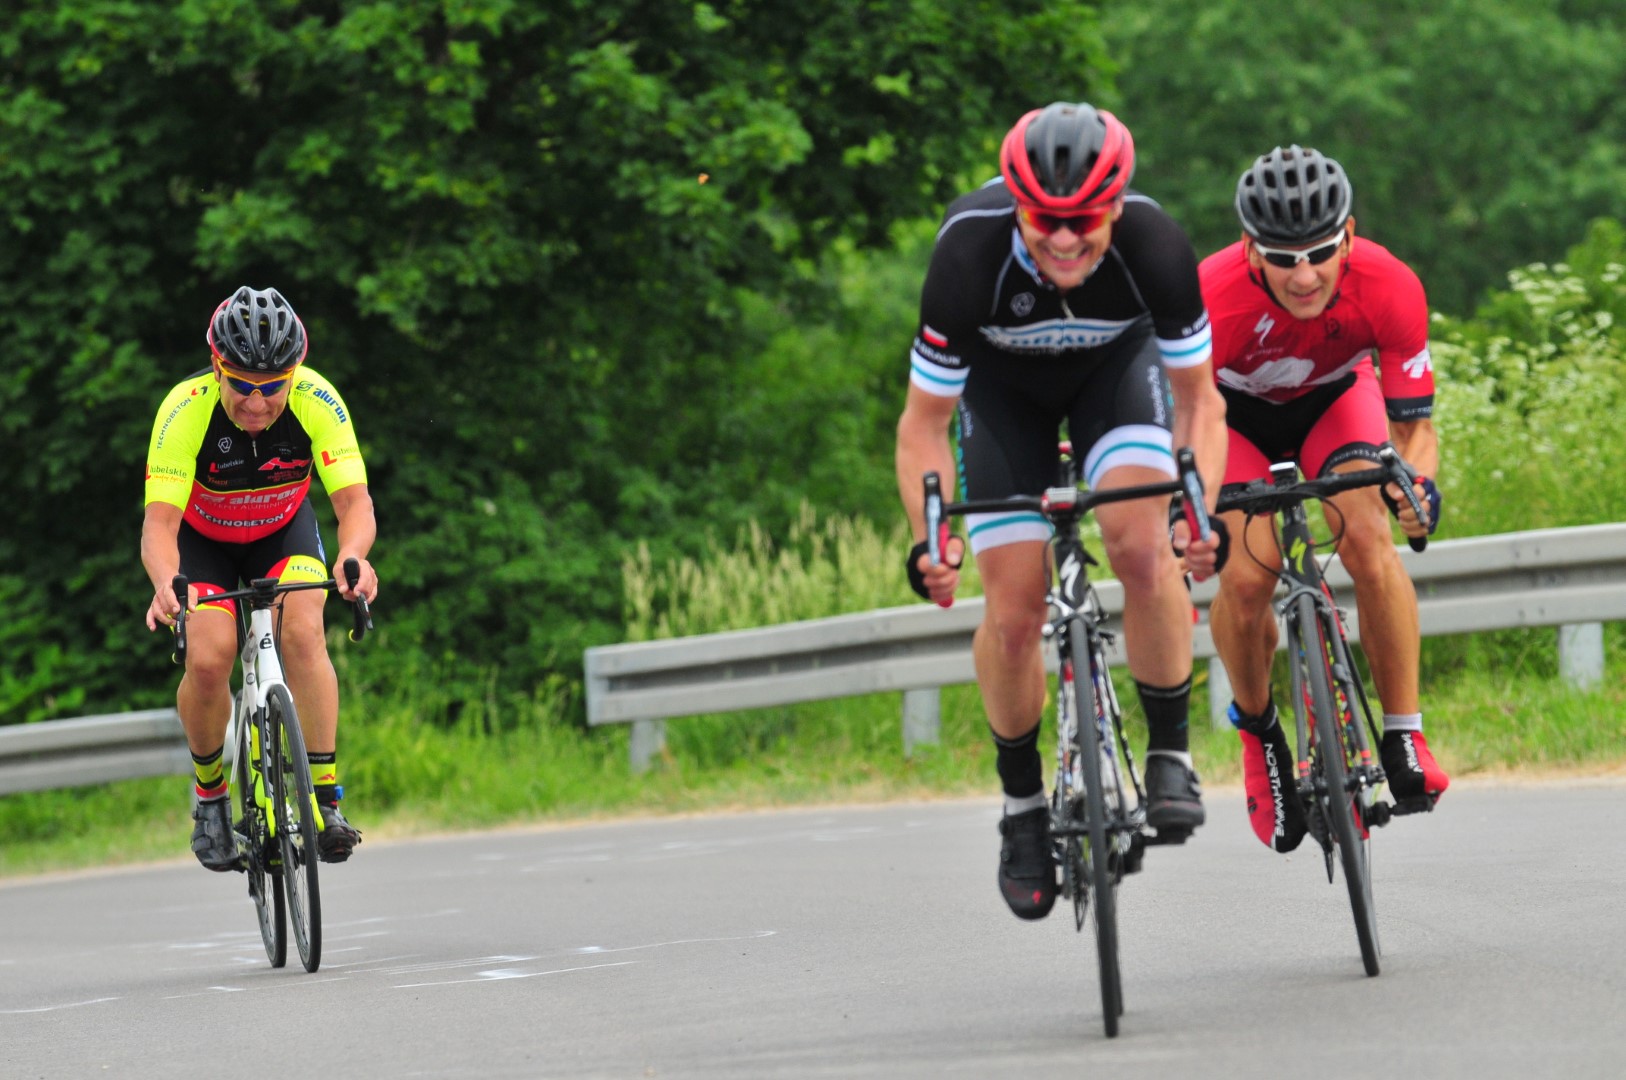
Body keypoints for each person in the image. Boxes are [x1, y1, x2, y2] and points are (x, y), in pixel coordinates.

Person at [895, 102, 1228, 921]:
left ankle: (1171, 755)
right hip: (1003, 395)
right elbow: (923, 425)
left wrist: (1200, 514)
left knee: (1141, 544)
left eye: (1086, 219)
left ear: (1116, 207)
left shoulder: (1156, 246)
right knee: (1013, 611)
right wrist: (930, 541)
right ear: (1018, 205)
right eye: (1046, 220)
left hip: (1115, 376)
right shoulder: (968, 252)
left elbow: (1200, 404)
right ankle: (1022, 811)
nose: (1067, 239)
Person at [1199, 146, 1449, 854]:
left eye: (1319, 253)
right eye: (1283, 259)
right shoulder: (1208, 297)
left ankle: (1404, 734)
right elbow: (1184, 423)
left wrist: (1417, 486)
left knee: (1368, 536)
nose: (1304, 275)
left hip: (1335, 401)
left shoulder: (1389, 284)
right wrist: (1186, 513)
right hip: (1230, 420)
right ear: (1250, 248)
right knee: (1246, 578)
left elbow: (1414, 428)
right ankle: (1261, 741)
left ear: (1349, 235)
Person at [141, 285, 379, 870]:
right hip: (204, 545)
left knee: (303, 631)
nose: (256, 401)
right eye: (241, 384)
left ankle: (326, 800)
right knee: (209, 658)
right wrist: (166, 581)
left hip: (281, 533)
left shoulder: (317, 399)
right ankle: (211, 799)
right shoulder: (184, 409)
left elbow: (354, 503)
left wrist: (353, 556)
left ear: (293, 374)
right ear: (216, 367)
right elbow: (160, 524)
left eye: (272, 387)